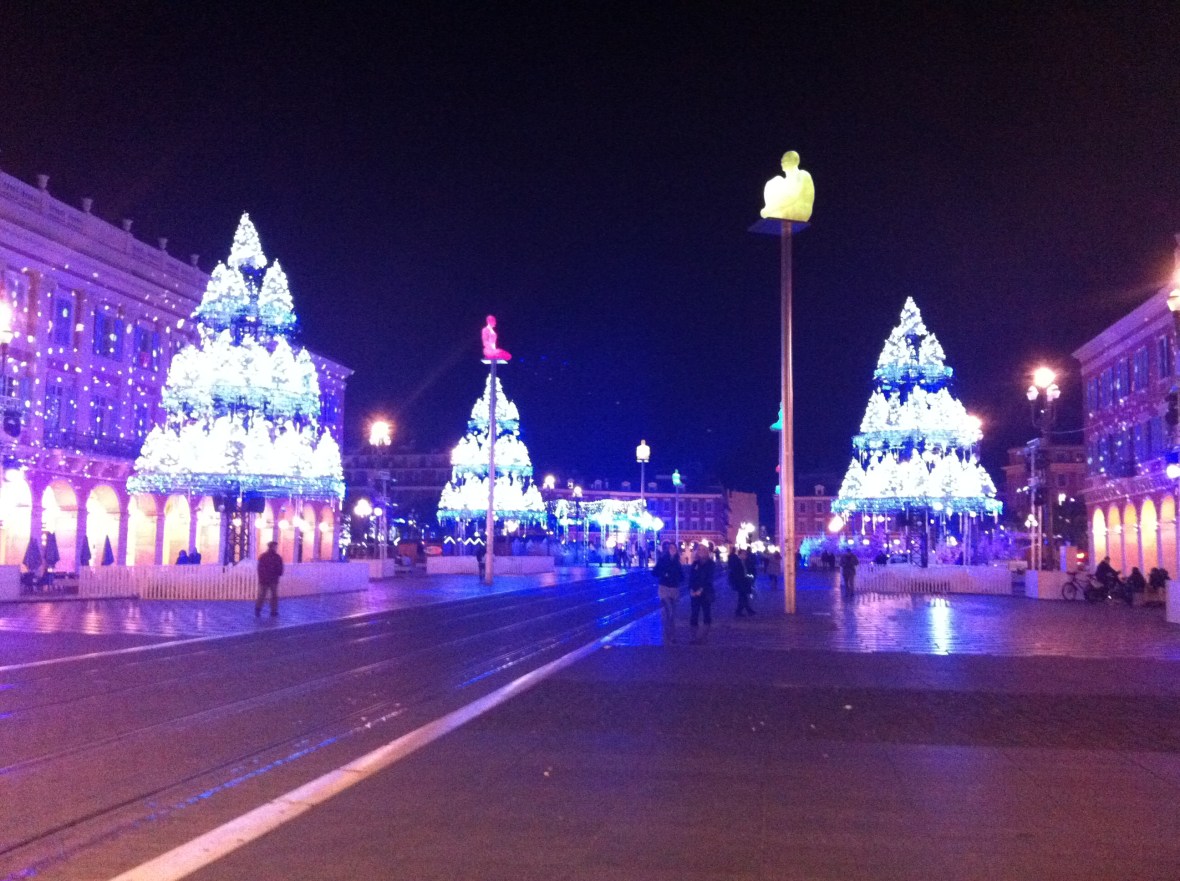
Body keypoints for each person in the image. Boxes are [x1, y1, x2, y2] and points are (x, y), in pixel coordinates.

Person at [760, 150, 815, 222]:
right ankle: (771, 210)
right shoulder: (783, 181)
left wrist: (771, 209)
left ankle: (772, 211)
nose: (783, 163)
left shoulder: (802, 174)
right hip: (784, 208)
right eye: (782, 161)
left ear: (795, 161)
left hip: (800, 210)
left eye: (786, 160)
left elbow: (792, 197)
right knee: (776, 180)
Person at [653, 541, 684, 643]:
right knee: (669, 611)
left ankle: (670, 635)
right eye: (671, 548)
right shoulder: (663, 560)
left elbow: (681, 575)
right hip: (664, 588)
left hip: (674, 589)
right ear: (668, 549)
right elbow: (654, 572)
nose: (672, 550)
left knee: (672, 614)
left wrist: (679, 578)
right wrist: (664, 574)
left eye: (674, 548)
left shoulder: (677, 561)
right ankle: (670, 635)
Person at [688, 543, 716, 643]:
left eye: (703, 549)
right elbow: (691, 577)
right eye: (699, 549)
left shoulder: (710, 564)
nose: (700, 551)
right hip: (694, 593)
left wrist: (701, 589)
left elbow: (709, 578)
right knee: (694, 614)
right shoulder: (695, 563)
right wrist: (691, 589)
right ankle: (694, 636)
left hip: (706, 593)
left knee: (706, 614)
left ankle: (704, 636)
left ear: (706, 551)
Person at [255, 541, 284, 618]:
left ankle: (272, 610)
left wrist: (279, 572)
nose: (275, 548)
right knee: (264, 595)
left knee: (272, 595)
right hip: (268, 579)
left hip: (271, 579)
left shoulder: (272, 557)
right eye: (274, 546)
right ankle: (259, 609)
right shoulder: (268, 557)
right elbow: (260, 568)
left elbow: (280, 568)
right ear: (271, 547)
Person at [729, 549, 755, 616]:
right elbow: (735, 573)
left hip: (745, 581)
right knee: (743, 596)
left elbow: (750, 570)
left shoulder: (746, 561)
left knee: (742, 597)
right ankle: (747, 610)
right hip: (739, 582)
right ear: (739, 555)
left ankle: (739, 611)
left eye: (746, 554)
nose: (745, 555)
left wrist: (751, 577)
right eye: (744, 554)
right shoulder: (736, 562)